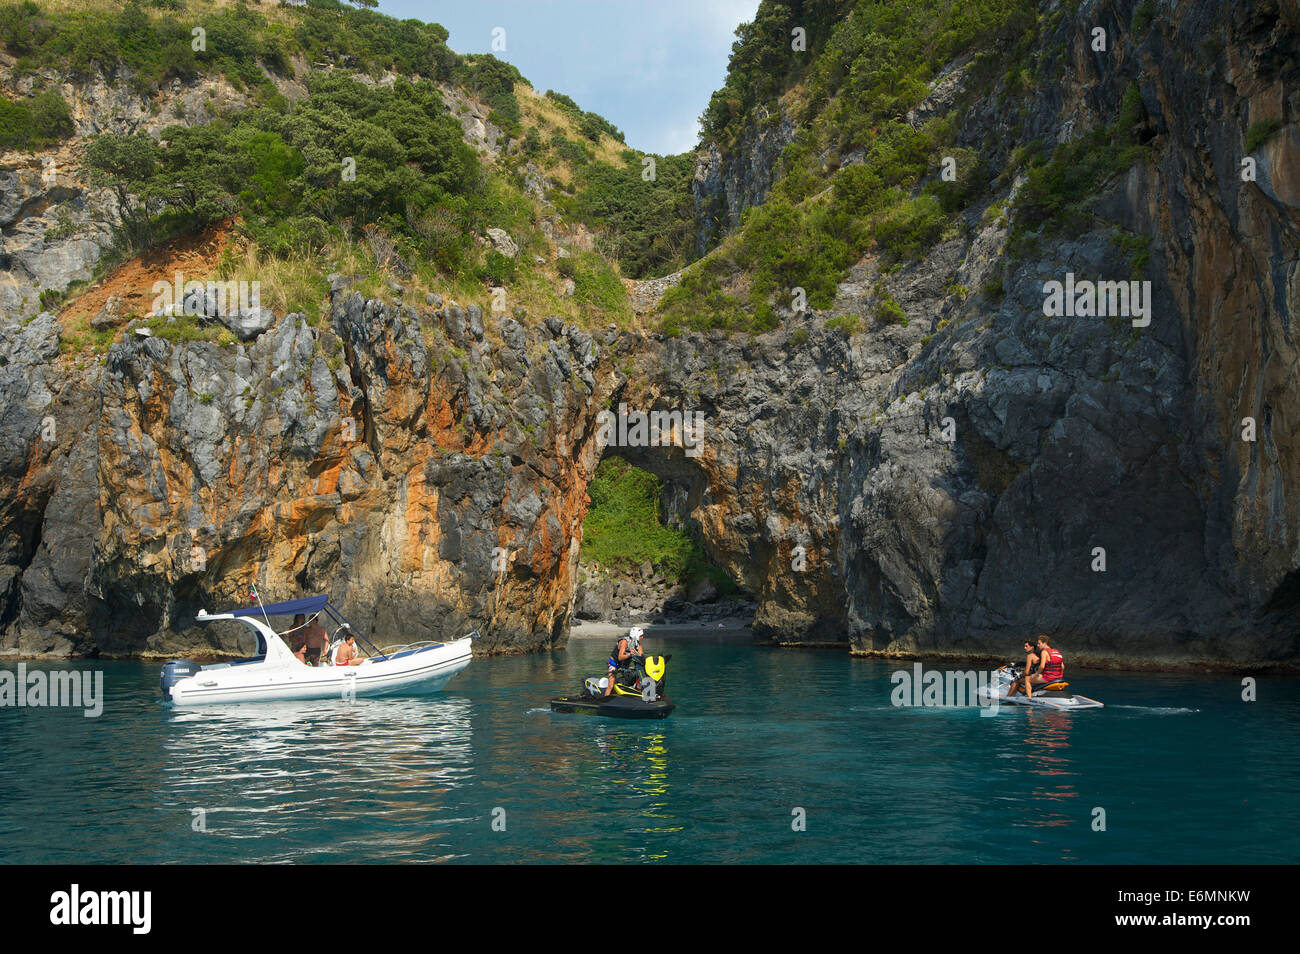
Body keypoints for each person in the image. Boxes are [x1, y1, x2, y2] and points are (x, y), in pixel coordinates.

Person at [605, 626, 646, 697]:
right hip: (614, 664)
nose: (642, 637)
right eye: (641, 636)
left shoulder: (638, 644)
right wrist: (630, 654)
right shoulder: (624, 642)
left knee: (638, 676)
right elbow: (620, 657)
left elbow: (641, 657)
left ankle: (638, 695)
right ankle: (604, 701)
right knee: (611, 685)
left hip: (624, 666)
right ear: (635, 635)